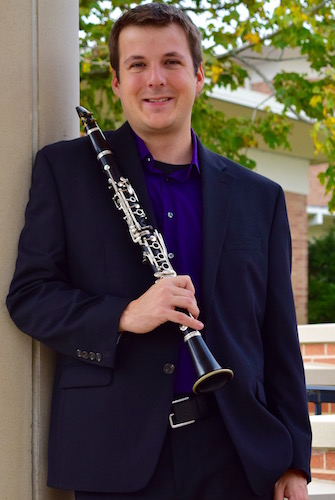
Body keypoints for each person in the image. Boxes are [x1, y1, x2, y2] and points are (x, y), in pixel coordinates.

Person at [7, 3, 311, 499]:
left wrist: (295, 461)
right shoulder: (68, 171)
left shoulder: (261, 197)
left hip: (236, 456)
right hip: (114, 455)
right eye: (137, 65)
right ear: (115, 80)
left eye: (171, 62)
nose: (155, 80)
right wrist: (125, 314)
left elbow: (278, 337)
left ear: (198, 74)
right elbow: (30, 296)